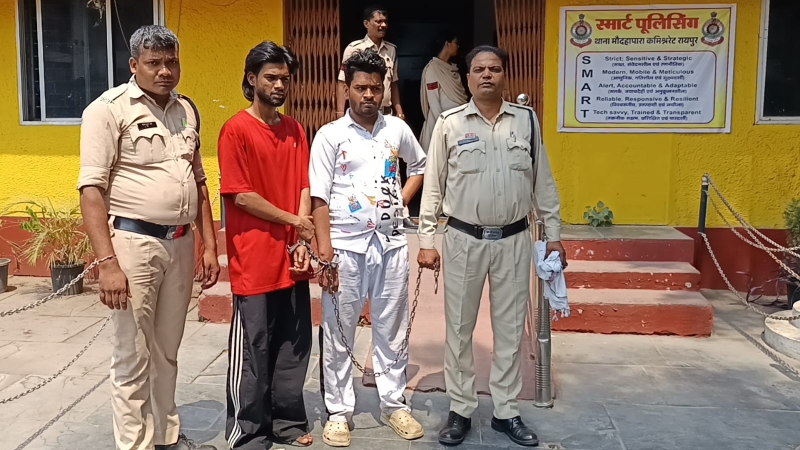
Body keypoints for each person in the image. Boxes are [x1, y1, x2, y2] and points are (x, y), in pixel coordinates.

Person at [416, 45, 567, 448]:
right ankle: (461, 409)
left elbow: (542, 181)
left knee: (511, 328)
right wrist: (427, 239)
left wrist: (553, 233)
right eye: (479, 69)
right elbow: (433, 187)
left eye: (494, 69)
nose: (487, 75)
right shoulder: (449, 124)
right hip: (463, 239)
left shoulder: (526, 121)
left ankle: (506, 410)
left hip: (514, 240)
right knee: (459, 329)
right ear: (467, 78)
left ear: (504, 75)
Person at [78, 25, 220, 450]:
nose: (164, 71)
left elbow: (199, 180)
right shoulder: (107, 111)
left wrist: (210, 245)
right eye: (154, 63)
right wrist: (107, 263)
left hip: (181, 243)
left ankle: (166, 437)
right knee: (133, 355)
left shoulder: (186, 108)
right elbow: (91, 191)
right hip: (133, 245)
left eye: (171, 62)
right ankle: (135, 444)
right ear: (133, 65)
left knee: (166, 351)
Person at [309, 49, 427, 448]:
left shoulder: (397, 130)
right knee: (339, 331)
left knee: (391, 328)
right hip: (345, 246)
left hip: (391, 244)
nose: (369, 95)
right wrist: (325, 252)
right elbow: (319, 196)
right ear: (347, 89)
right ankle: (338, 412)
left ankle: (394, 404)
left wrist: (402, 201)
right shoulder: (330, 136)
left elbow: (420, 166)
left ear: (385, 89)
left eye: (376, 88)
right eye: (361, 88)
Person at [217, 41, 315, 449]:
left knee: (293, 346)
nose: (279, 85)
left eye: (285, 79)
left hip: (291, 258)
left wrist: (302, 237)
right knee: (253, 351)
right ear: (251, 79)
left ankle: (287, 424)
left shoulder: (295, 130)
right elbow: (241, 195)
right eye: (271, 77)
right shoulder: (235, 130)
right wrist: (295, 222)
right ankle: (249, 432)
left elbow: (304, 185)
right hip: (254, 260)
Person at [336, 5, 404, 121]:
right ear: (366, 24)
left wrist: (399, 111)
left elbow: (393, 83)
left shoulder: (391, 50)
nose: (383, 25)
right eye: (378, 21)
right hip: (361, 114)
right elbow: (342, 82)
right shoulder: (354, 49)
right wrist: (340, 113)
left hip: (386, 114)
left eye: (385, 22)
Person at [419, 30, 468, 153]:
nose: (458, 46)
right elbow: (434, 104)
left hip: (460, 126)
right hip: (440, 127)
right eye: (455, 43)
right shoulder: (433, 69)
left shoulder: (453, 69)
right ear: (447, 44)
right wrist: (444, 128)